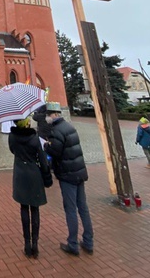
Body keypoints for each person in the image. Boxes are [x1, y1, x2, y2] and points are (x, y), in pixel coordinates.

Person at [44, 102, 94, 256]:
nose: (46, 118)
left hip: (68, 175)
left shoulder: (56, 131)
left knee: (71, 209)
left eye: (47, 115)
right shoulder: (70, 127)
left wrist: (47, 145)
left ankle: (73, 244)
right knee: (83, 208)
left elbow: (56, 152)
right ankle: (88, 242)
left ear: (53, 115)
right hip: (79, 172)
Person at [8, 118, 52, 258]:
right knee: (35, 209)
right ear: (26, 122)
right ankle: (35, 245)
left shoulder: (12, 136)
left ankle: (26, 244)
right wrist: (47, 178)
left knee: (24, 208)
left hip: (20, 174)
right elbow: (43, 160)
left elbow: (12, 150)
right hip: (34, 174)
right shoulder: (34, 138)